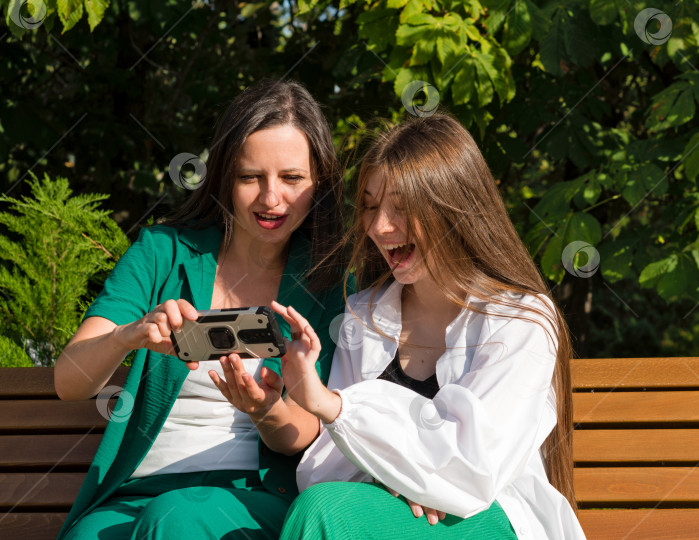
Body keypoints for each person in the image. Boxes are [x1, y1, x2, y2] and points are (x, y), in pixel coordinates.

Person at [54, 79, 350, 539]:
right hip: (134, 495)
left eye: (292, 178)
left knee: (177, 518)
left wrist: (264, 408)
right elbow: (69, 382)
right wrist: (127, 336)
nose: (271, 198)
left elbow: (304, 435)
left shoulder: (329, 282)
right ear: (225, 178)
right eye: (250, 177)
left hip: (254, 499)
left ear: (319, 183)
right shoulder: (161, 252)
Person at [271, 113, 586, 539]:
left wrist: (341, 413)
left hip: (489, 518)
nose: (380, 227)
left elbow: (473, 470)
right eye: (369, 206)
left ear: (453, 208)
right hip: (385, 516)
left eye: (402, 207)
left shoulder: (522, 320)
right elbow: (325, 467)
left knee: (324, 513)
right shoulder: (361, 316)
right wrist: (399, 476)